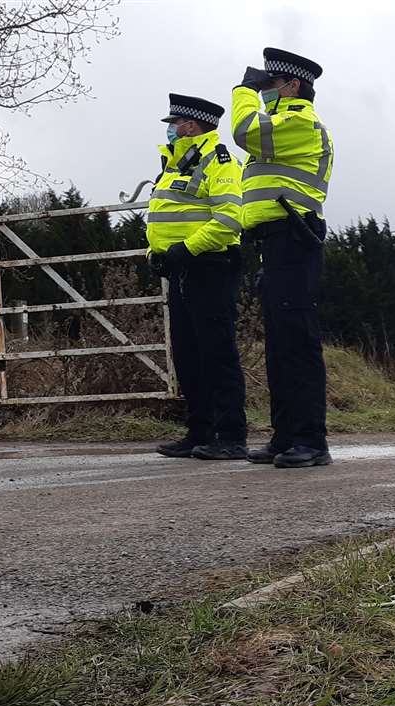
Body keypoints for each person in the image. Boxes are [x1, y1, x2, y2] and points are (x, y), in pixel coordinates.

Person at [232, 48, 335, 468]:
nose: (264, 92)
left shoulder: (300, 122)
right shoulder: (281, 124)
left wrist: (242, 90)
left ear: (293, 86)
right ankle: (286, 437)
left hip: (294, 238)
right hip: (274, 243)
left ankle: (312, 441)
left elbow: (243, 131)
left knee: (298, 344)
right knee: (279, 346)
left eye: (270, 85)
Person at [147, 93, 247, 460]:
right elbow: (163, 218)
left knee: (217, 353)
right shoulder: (174, 165)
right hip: (180, 270)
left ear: (190, 125)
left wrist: (185, 250)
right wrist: (155, 255)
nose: (170, 130)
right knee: (187, 354)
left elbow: (228, 220)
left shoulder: (219, 161)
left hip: (210, 267)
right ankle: (199, 431)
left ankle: (232, 436)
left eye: (174, 124)